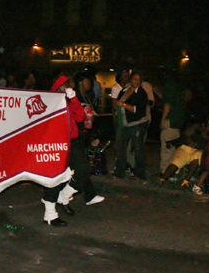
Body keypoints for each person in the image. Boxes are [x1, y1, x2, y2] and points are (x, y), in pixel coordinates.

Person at [40, 75, 104, 226]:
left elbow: (81, 116)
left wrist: (74, 100)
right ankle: (50, 214)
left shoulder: (68, 101)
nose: (68, 88)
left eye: (68, 85)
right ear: (57, 88)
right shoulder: (50, 102)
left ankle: (64, 195)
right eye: (64, 85)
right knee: (55, 177)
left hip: (72, 142)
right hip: (56, 143)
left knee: (83, 169)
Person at [113, 71, 150, 181]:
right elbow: (117, 104)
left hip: (137, 124)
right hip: (124, 124)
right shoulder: (124, 90)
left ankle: (140, 174)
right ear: (130, 79)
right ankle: (119, 172)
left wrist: (124, 105)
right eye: (134, 79)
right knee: (120, 148)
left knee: (138, 149)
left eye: (139, 79)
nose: (136, 81)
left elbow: (139, 111)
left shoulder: (142, 93)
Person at [159, 71, 185, 173]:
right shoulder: (177, 87)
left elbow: (167, 105)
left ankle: (165, 172)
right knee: (173, 149)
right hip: (177, 122)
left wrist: (163, 119)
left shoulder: (168, 86)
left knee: (166, 148)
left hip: (171, 120)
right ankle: (173, 171)